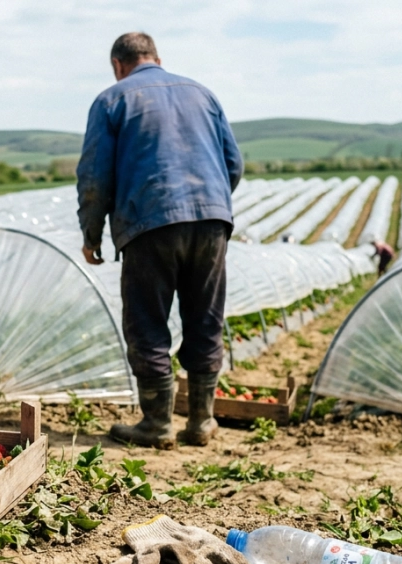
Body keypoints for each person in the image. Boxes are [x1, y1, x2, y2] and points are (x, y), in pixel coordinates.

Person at [76, 32, 242, 449]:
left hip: (149, 222)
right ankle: (202, 421)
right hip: (211, 219)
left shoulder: (112, 100)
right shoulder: (202, 93)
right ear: (157, 58)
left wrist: (91, 234)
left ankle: (156, 423)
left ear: (118, 65)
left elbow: (95, 178)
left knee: (148, 321)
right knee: (206, 318)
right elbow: (233, 164)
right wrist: (209, 206)